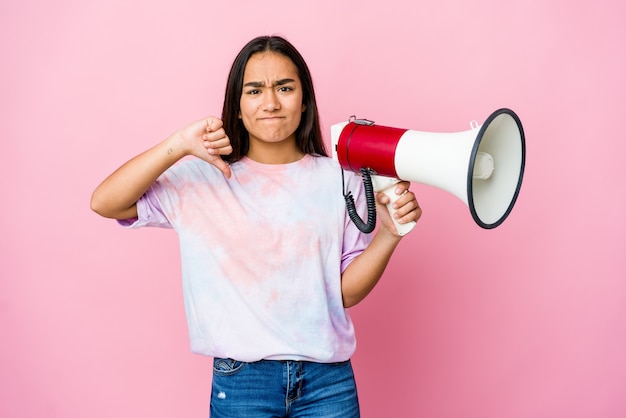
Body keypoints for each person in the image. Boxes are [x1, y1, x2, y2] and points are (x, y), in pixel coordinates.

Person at [91, 35, 422, 418]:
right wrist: (180, 143)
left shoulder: (341, 179)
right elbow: (105, 201)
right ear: (238, 104)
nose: (271, 103)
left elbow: (343, 293)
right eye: (255, 90)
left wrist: (388, 235)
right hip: (241, 381)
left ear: (304, 100)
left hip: (327, 383)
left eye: (284, 88)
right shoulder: (202, 177)